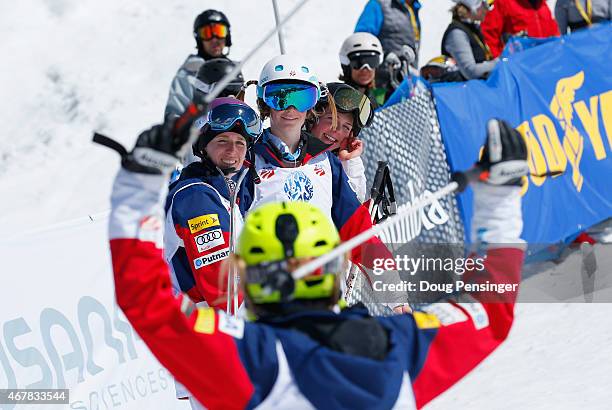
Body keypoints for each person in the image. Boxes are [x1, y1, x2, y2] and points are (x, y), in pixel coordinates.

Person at [108, 111, 529, 409]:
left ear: (248, 275)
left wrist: (136, 188)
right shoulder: (398, 345)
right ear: (332, 268)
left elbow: (145, 300)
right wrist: (501, 199)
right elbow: (490, 312)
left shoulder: (248, 359)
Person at [252, 55, 408, 311]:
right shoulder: (248, 162)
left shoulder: (326, 164)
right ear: (264, 103)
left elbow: (358, 232)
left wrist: (395, 295)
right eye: (278, 97)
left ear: (311, 106)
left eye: (300, 98)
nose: (290, 109)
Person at [164, 97, 261, 311]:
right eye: (222, 141)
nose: (232, 151)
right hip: (195, 329)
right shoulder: (196, 197)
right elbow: (225, 295)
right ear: (203, 147)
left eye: (240, 143)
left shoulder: (228, 191)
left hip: (211, 324)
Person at [308, 82, 374, 202]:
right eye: (331, 119)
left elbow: (353, 205)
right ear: (313, 117)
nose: (337, 130)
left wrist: (349, 160)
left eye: (346, 127)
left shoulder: (339, 164)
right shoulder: (290, 152)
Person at [165, 9, 234, 120]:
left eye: (219, 31)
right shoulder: (190, 73)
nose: (214, 39)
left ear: (227, 35)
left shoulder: (233, 71)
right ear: (199, 39)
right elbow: (175, 116)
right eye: (207, 33)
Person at [441, 0, 498, 80]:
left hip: (478, 88)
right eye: (483, 4)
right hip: (464, 90)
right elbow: (471, 71)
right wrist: (501, 63)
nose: (487, 8)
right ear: (474, 6)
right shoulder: (457, 33)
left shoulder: (472, 28)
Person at [481, 0, 560, 58]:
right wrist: (500, 62)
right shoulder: (503, 2)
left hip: (546, 61)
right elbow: (489, 35)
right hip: (521, 66)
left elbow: (554, 32)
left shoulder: (541, 3)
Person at [355, 0, 422, 66]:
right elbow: (362, 40)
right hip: (382, 73)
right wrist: (384, 56)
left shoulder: (413, 9)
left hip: (407, 74)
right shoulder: (379, 4)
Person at [338, 32, 388, 108]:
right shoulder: (338, 98)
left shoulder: (380, 95)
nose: (365, 69)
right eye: (358, 63)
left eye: (372, 62)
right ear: (347, 67)